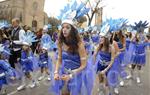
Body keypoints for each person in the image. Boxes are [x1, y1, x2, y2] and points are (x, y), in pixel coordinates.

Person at [52, 19, 89, 95]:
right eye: (63, 27)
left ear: (72, 30)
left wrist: (71, 75)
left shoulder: (79, 44)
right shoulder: (60, 42)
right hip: (64, 73)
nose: (64, 30)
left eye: (67, 27)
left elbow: (84, 65)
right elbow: (59, 59)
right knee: (64, 93)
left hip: (76, 74)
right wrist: (56, 72)